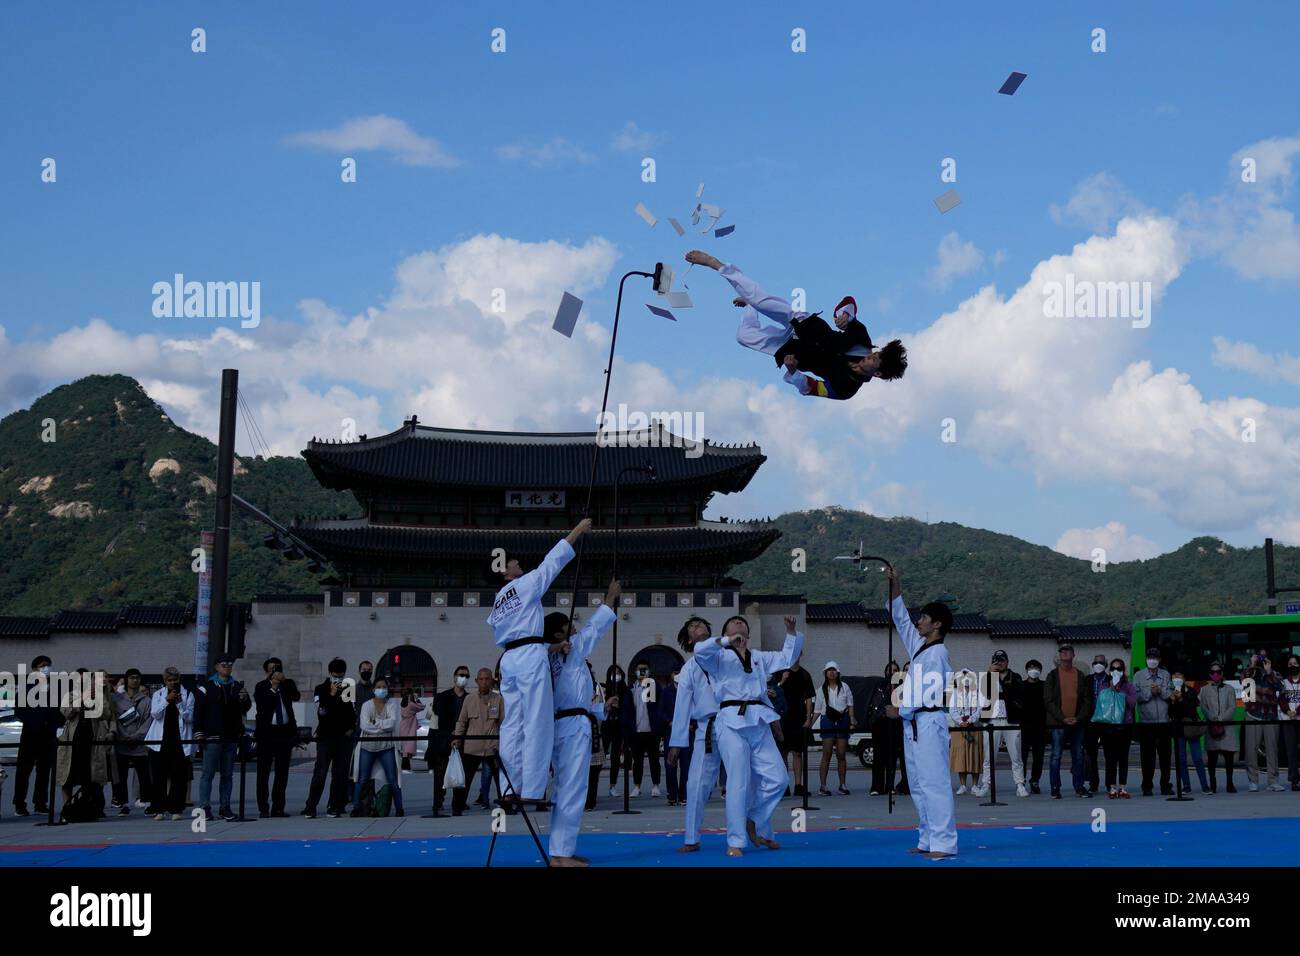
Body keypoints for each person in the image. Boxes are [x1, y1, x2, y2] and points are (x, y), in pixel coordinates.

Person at [685, 249, 907, 400]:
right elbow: (848, 304)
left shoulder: (847, 388)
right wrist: (845, 316)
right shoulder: (862, 342)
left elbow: (812, 387)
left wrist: (792, 370)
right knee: (761, 299)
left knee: (743, 337)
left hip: (793, 351)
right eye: (876, 354)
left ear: (876, 374)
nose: (871, 356)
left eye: (874, 361)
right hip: (805, 325)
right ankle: (716, 264)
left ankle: (751, 306)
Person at [487, 518, 591, 806]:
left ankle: (509, 787)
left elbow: (519, 635)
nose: (518, 562)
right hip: (530, 656)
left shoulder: (497, 602)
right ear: (505, 572)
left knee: (512, 725)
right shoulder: (524, 585)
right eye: (512, 562)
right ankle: (532, 788)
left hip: (509, 659)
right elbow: (552, 561)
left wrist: (554, 646)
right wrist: (578, 530)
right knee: (537, 720)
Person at [693, 614, 804, 857]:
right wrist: (725, 641)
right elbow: (699, 651)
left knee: (778, 778)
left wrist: (792, 631)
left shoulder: (759, 657)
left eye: (742, 623)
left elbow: (787, 658)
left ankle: (753, 819)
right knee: (738, 781)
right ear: (726, 632)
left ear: (748, 633)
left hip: (758, 720)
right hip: (730, 720)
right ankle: (735, 841)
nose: (739, 624)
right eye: (733, 622)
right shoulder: (717, 657)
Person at [545, 578, 620, 866]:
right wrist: (610, 597)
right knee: (572, 788)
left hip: (571, 722)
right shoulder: (560, 652)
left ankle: (562, 848)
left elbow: (572, 700)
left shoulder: (558, 655)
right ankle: (561, 854)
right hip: (569, 727)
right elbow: (594, 628)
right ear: (557, 634)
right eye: (568, 627)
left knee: (569, 787)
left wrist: (600, 708)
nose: (574, 629)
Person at [886, 567, 957, 858]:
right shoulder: (919, 647)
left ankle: (944, 843)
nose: (919, 621)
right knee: (917, 783)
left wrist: (900, 709)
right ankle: (927, 838)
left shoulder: (939, 653)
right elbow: (899, 617)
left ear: (937, 624)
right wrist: (895, 583)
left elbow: (930, 693)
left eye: (925, 618)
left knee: (934, 782)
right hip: (913, 723)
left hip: (928, 721)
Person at [667, 616, 722, 852]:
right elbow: (682, 706)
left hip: (737, 724)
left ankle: (757, 831)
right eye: (691, 627)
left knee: (748, 780)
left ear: (710, 630)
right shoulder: (688, 669)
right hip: (707, 727)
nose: (696, 627)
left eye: (700, 624)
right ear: (689, 640)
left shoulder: (730, 656)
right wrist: (677, 743)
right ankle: (692, 838)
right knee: (696, 784)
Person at [194, 654, 251, 822]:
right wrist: (198, 731)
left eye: (230, 664)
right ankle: (204, 806)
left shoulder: (236, 686)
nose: (227, 666)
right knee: (208, 773)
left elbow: (245, 708)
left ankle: (225, 807)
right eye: (223, 664)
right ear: (216, 667)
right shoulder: (206, 686)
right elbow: (198, 710)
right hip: (212, 736)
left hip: (231, 736)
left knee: (227, 774)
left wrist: (244, 699)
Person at [57, 672, 119, 819]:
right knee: (68, 778)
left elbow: (105, 713)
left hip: (92, 742)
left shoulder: (98, 695)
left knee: (91, 777)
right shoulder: (71, 695)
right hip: (72, 742)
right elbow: (65, 712)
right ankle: (67, 808)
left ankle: (90, 807)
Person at [303, 658, 355, 818]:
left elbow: (351, 711)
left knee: (340, 773)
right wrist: (332, 694)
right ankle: (311, 806)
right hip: (325, 736)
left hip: (343, 737)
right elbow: (322, 710)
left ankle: (334, 805)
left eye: (341, 676)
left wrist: (351, 728)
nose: (338, 679)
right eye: (335, 676)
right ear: (330, 674)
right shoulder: (320, 689)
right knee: (320, 772)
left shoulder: (348, 689)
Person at [13, 655, 62, 817]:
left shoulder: (54, 688)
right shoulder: (25, 687)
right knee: (23, 772)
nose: (46, 668)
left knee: (44, 772)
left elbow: (58, 712)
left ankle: (40, 803)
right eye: (42, 666)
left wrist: (54, 725)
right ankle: (19, 804)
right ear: (34, 669)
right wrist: (36, 723)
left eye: (48, 665)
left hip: (48, 736)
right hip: (30, 735)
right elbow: (19, 712)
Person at [451, 669, 504, 815]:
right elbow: (461, 721)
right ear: (476, 681)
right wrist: (457, 739)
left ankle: (506, 805)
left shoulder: (498, 700)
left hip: (493, 747)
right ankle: (457, 807)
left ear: (492, 681)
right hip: (472, 747)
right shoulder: (469, 699)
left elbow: (503, 723)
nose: (484, 682)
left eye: (487, 679)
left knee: (501, 779)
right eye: (481, 679)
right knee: (464, 780)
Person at [253, 657, 299, 819]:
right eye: (272, 669)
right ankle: (263, 808)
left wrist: (283, 682)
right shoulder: (261, 686)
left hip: (284, 733)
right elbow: (263, 707)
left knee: (282, 773)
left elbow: (296, 696)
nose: (275, 671)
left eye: (277, 668)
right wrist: (273, 688)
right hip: (267, 734)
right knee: (263, 773)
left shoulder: (288, 684)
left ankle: (278, 807)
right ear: (266, 671)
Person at [145, 666, 193, 821]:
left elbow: (189, 717)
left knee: (179, 776)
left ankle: (176, 808)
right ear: (165, 681)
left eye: (175, 680)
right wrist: (167, 700)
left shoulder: (188, 694)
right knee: (159, 776)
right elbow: (155, 714)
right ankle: (159, 808)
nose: (172, 683)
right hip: (160, 740)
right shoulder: (158, 694)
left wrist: (179, 703)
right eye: (169, 680)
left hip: (179, 740)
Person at [1045, 644, 1092, 799]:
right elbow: (1048, 701)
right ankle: (1055, 787)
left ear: (1073, 654)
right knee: (1056, 755)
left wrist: (1078, 718)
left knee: (1078, 755)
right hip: (1058, 723)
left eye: (1066, 651)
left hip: (1077, 723)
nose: (1063, 654)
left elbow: (1086, 700)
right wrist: (1063, 718)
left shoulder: (1080, 675)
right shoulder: (1052, 675)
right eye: (1061, 652)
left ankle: (1079, 787)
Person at [352, 677, 404, 816]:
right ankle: (356, 807)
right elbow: (364, 725)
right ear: (374, 689)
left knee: (393, 778)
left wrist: (375, 723)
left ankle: (399, 808)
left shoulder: (392, 704)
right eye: (379, 687)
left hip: (386, 746)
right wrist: (382, 726)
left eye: (384, 687)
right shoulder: (366, 705)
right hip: (367, 747)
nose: (382, 689)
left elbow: (392, 723)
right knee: (362, 778)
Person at [980, 650, 1028, 798]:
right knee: (989, 755)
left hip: (1011, 719)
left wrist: (1000, 682)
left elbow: (1017, 695)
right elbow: (983, 696)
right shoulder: (986, 677)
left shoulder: (1016, 677)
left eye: (1001, 660)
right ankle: (986, 784)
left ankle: (1020, 784)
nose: (999, 663)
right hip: (991, 719)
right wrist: (990, 676)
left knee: (1015, 753)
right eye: (996, 660)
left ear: (1007, 661)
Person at [1091, 659, 1138, 798]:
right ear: (1110, 671)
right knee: (1110, 758)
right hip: (1108, 727)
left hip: (1124, 726)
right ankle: (1111, 787)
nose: (1116, 671)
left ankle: (1123, 787)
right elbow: (1101, 705)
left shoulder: (1129, 686)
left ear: (1123, 671)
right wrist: (1110, 690)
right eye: (1113, 669)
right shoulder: (1104, 686)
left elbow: (1132, 703)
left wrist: (1119, 692)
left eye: (1119, 669)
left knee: (1123, 757)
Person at [428, 665, 471, 815]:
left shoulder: (469, 698)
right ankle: (437, 804)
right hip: (444, 741)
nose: (463, 678)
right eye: (461, 675)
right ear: (454, 677)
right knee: (440, 775)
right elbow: (440, 720)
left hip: (462, 742)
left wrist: (459, 735)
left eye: (466, 676)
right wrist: (452, 733)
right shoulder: (442, 697)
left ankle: (457, 805)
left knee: (460, 774)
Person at [110, 668, 153, 815]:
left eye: (137, 678)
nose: (135, 680)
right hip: (122, 743)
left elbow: (148, 721)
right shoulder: (117, 699)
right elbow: (114, 719)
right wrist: (122, 736)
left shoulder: (147, 700)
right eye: (132, 678)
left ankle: (147, 802)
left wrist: (137, 736)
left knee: (144, 775)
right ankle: (123, 804)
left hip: (139, 744)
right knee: (121, 776)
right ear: (126, 680)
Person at [1242, 651, 1285, 792]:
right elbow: (1244, 684)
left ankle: (1273, 781)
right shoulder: (1250, 672)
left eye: (1264, 657)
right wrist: (1252, 665)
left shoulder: (1274, 674)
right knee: (1251, 749)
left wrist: (1268, 672)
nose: (1261, 659)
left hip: (1270, 716)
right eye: (1258, 656)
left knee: (1272, 749)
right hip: (1252, 715)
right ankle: (1253, 781)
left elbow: (1280, 687)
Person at [622, 660, 665, 798]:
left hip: (651, 730)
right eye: (639, 669)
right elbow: (627, 710)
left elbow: (654, 702)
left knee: (654, 760)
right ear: (635, 671)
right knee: (637, 761)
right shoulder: (631, 688)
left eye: (644, 669)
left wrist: (647, 683)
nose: (642, 671)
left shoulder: (652, 686)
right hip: (637, 731)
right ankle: (637, 785)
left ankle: (656, 785)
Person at [1133, 649, 1173, 796]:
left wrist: (1160, 691)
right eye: (1150, 657)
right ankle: (1147, 785)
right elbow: (1136, 696)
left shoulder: (1165, 674)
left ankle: (1165, 785)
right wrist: (1150, 693)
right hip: (1146, 722)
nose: (1152, 660)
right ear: (1146, 659)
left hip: (1164, 721)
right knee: (1147, 757)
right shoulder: (1139, 675)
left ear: (1159, 659)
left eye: (1155, 657)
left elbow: (1170, 694)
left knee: (1165, 756)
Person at [814, 662, 855, 796]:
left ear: (838, 672)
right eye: (828, 670)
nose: (831, 673)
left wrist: (852, 720)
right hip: (828, 720)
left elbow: (850, 705)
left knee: (841, 754)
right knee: (826, 753)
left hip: (842, 719)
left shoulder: (845, 687)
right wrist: (809, 724)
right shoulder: (821, 689)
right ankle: (823, 786)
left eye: (833, 670)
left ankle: (842, 784)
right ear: (825, 673)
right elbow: (818, 710)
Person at [868, 661, 907, 796]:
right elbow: (874, 706)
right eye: (890, 670)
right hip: (880, 726)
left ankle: (890, 786)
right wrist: (885, 712)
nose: (892, 672)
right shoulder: (880, 687)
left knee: (892, 758)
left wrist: (896, 711)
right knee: (879, 757)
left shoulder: (902, 688)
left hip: (896, 727)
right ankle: (877, 787)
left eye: (895, 670)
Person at [777, 655, 815, 796]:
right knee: (783, 753)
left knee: (797, 753)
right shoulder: (781, 672)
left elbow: (809, 698)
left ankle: (798, 785)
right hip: (783, 717)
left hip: (798, 717)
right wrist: (782, 680)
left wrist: (808, 718)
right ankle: (784, 784)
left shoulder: (805, 675)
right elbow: (773, 691)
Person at [1200, 663, 1238, 794]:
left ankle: (1230, 783)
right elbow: (1203, 707)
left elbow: (1232, 707)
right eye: (1213, 672)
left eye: (1218, 672)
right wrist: (1212, 717)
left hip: (1227, 727)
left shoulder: (1230, 689)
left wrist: (1221, 718)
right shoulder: (1204, 690)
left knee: (1229, 758)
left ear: (1222, 673)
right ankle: (1213, 784)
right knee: (1212, 759)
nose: (1215, 674)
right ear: (1210, 674)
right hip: (1212, 726)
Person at [949, 669, 985, 795]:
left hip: (974, 727)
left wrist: (970, 720)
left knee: (975, 755)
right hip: (959, 729)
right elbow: (952, 710)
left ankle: (975, 784)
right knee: (961, 756)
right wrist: (961, 721)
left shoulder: (978, 692)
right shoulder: (954, 693)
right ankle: (962, 785)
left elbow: (980, 709)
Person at [1083, 653, 1110, 795]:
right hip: (1091, 720)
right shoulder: (1087, 680)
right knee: (1091, 754)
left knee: (1109, 753)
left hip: (1107, 720)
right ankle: (1093, 783)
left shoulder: (1111, 679)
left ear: (1106, 665)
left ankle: (1109, 784)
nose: (1098, 665)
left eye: (1101, 662)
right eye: (1095, 662)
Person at [1020, 660, 1047, 794]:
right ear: (1026, 670)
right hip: (1024, 725)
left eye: (1036, 667)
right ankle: (1021, 781)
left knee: (1038, 756)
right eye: (1031, 667)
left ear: (1040, 670)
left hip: (1040, 725)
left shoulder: (1044, 685)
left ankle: (1035, 780)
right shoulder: (1021, 685)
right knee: (1022, 755)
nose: (1034, 670)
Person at [603, 664, 629, 797]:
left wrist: (620, 706)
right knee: (600, 756)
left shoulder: (625, 690)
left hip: (619, 726)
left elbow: (628, 707)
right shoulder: (605, 688)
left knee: (615, 757)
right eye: (613, 672)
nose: (616, 675)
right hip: (606, 726)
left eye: (618, 672)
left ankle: (612, 784)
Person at [660, 668, 681, 806]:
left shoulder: (690, 689)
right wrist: (669, 721)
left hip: (687, 731)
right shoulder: (666, 691)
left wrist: (691, 724)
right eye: (675, 673)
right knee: (670, 764)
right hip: (670, 732)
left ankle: (684, 795)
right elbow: (660, 711)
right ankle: (672, 794)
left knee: (686, 766)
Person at [1280, 655, 1300, 792]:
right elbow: (1281, 700)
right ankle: (1294, 780)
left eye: (1295, 663)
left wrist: (1297, 712)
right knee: (1291, 751)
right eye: (1290, 663)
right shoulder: (1283, 683)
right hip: (1288, 721)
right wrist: (1288, 711)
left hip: (1299, 718)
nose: (1292, 666)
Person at [399, 688, 423, 772]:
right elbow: (421, 707)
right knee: (409, 747)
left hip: (403, 726)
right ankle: (406, 766)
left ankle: (404, 766)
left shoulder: (402, 704)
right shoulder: (411, 705)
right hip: (410, 727)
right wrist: (417, 700)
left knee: (405, 748)